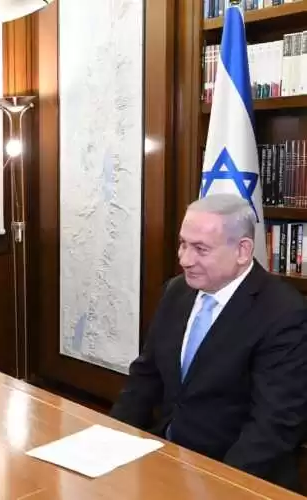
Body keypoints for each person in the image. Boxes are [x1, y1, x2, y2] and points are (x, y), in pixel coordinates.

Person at [110, 194, 307, 491]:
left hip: (235, 474)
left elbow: (273, 424)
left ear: (242, 251)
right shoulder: (177, 291)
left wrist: (221, 485)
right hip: (166, 457)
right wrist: (111, 440)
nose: (185, 259)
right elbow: (145, 377)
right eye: (183, 244)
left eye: (200, 249)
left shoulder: (284, 313)